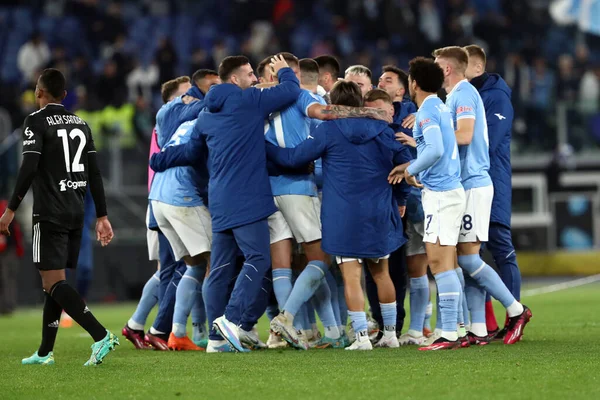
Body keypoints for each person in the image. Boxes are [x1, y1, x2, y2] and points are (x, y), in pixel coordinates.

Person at [152, 55, 301, 352]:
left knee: (219, 269)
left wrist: (160, 159)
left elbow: (192, 150)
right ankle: (231, 320)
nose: (255, 79)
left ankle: (216, 340)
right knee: (258, 258)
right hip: (247, 197)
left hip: (219, 198)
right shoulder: (249, 101)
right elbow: (291, 90)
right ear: (235, 79)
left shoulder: (206, 113)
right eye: (250, 74)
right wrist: (284, 69)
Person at [266, 80, 412, 350]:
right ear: (360, 101)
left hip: (343, 215)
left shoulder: (328, 129)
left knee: (351, 277)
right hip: (378, 211)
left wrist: (263, 145)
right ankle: (391, 335)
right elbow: (408, 163)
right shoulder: (384, 129)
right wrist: (400, 197)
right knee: (382, 274)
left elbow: (292, 158)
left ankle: (361, 338)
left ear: (332, 102)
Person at [0, 68, 118, 365]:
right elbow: (95, 174)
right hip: (76, 211)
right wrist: (102, 215)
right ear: (65, 95)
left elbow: (28, 167)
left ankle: (101, 335)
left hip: (49, 211)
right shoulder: (81, 123)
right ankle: (44, 351)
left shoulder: (35, 121)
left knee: (51, 281)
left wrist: (10, 209)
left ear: (39, 93)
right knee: (54, 280)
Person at [433, 46, 531, 345]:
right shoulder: (456, 95)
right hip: (466, 181)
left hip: (481, 181)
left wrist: (429, 141)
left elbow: (474, 139)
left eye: (438, 65)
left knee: (491, 248)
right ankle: (478, 327)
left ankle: (514, 312)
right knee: (469, 254)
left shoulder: (479, 95)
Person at [388, 57, 465, 351]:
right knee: (444, 263)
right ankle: (453, 329)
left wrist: (410, 169)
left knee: (439, 262)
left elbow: (434, 149)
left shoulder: (428, 111)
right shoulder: (437, 107)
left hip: (442, 195)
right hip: (446, 191)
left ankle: (448, 332)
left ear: (414, 83)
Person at [123, 76, 192, 351]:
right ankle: (152, 327)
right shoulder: (168, 125)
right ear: (171, 101)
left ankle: (137, 325)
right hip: (165, 201)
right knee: (178, 268)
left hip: (162, 200)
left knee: (169, 270)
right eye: (185, 95)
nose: (191, 99)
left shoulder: (168, 125)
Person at [464, 44, 520, 339]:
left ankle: (515, 316)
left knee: (499, 245)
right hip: (472, 181)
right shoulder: (467, 95)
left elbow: (489, 142)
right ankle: (483, 321)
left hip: (491, 180)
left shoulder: (497, 97)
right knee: (473, 250)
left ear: (477, 68)